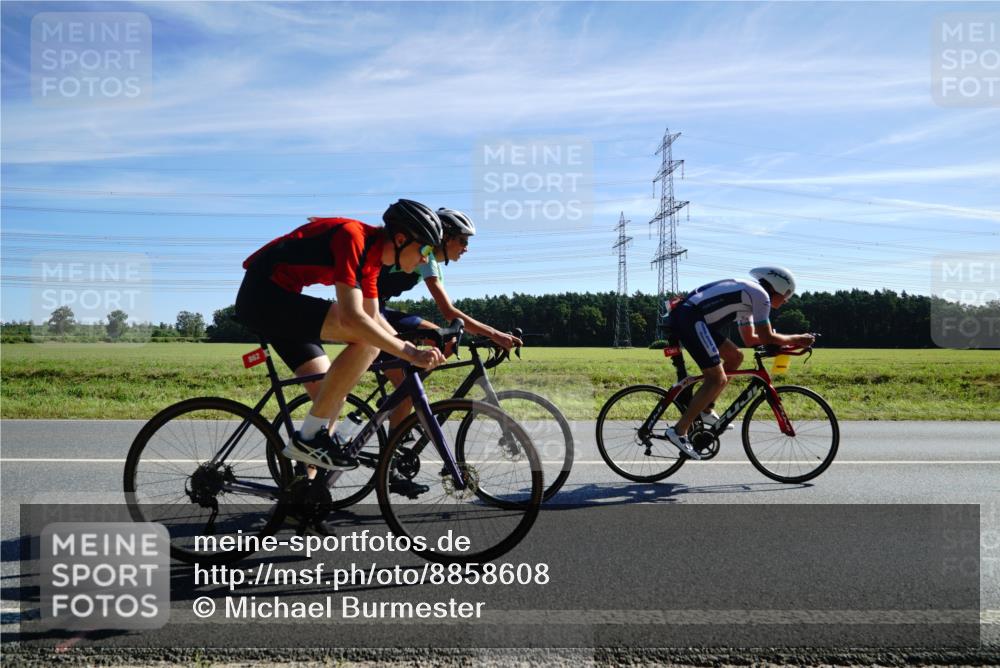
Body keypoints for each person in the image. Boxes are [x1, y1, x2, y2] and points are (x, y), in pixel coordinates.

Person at [234, 199, 446, 494]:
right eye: (425, 250)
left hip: (284, 303)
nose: (426, 261)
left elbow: (373, 316)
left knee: (330, 394)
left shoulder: (372, 259)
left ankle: (304, 491)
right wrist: (410, 352)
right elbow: (353, 317)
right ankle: (308, 438)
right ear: (400, 239)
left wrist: (407, 346)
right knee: (366, 340)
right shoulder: (353, 237)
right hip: (264, 297)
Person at [377, 208, 522, 433]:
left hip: (381, 307)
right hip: (369, 311)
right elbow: (449, 312)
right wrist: (494, 333)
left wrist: (487, 333)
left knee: (445, 340)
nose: (466, 248)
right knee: (406, 395)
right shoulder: (425, 254)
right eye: (463, 240)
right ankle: (391, 457)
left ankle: (405, 389)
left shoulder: (429, 259)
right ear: (445, 238)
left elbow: (450, 316)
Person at [664, 266, 815, 459]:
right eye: (787, 295)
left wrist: (780, 344)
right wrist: (797, 339)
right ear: (779, 287)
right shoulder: (761, 296)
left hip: (694, 318)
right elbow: (765, 335)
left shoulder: (752, 296)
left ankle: (705, 409)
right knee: (716, 379)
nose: (786, 301)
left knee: (736, 357)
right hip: (691, 318)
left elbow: (750, 339)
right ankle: (679, 431)